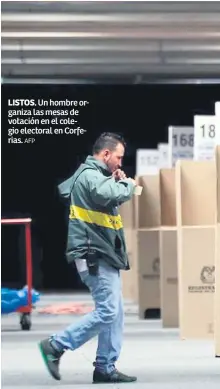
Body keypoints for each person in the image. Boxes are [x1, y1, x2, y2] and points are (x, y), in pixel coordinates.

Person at [38, 132, 137, 384]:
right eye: (118, 157)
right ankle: (55, 345)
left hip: (102, 254)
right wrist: (128, 184)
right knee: (107, 311)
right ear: (105, 154)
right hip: (95, 255)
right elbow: (107, 194)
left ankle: (105, 366)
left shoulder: (96, 177)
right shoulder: (91, 176)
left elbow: (105, 197)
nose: (120, 163)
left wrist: (116, 182)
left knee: (114, 312)